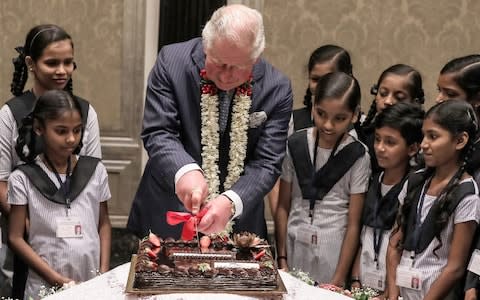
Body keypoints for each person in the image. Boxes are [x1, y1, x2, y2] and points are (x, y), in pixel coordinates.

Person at [127, 4, 293, 240]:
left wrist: (231, 201)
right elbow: (159, 131)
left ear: (256, 58)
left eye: (237, 67)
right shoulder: (171, 62)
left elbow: (267, 162)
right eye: (218, 62)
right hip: (168, 211)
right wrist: (185, 171)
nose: (226, 75)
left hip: (239, 221)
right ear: (206, 46)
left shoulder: (277, 88)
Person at [0, 24, 102, 299]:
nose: (62, 71)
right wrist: (37, 228)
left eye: (68, 63)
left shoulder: (85, 111)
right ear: (31, 63)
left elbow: (91, 175)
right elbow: (2, 182)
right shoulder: (11, 113)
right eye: (52, 63)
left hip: (78, 238)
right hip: (28, 231)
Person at [7, 90, 111, 299]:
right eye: (61, 131)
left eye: (77, 130)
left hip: (91, 283)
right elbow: (15, 237)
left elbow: (104, 223)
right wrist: (58, 281)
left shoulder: (95, 170)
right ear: (39, 128)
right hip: (44, 287)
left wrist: (104, 272)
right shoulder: (22, 178)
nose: (71, 138)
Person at [275, 72, 371, 285]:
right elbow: (283, 205)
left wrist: (338, 279)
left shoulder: (358, 155)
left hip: (333, 250)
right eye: (321, 114)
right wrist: (281, 258)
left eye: (339, 118)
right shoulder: (296, 144)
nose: (328, 125)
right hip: (294, 243)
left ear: (354, 115)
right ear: (312, 107)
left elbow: (354, 223)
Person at [386, 100, 480, 300]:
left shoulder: (467, 194)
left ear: (460, 141)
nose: (424, 145)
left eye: (433, 136)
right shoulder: (415, 180)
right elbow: (395, 242)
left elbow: (455, 267)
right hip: (402, 292)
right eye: (424, 135)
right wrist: (393, 294)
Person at [350, 102, 424, 294]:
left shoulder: (414, 188)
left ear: (413, 148)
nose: (380, 148)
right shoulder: (374, 179)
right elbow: (363, 235)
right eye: (377, 139)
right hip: (364, 281)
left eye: (390, 142)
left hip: (393, 287)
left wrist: (391, 292)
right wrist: (355, 278)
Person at [435, 55, 480, 300]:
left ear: (477, 99)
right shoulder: (441, 143)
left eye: (450, 94)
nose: (439, 99)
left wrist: (473, 282)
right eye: (438, 90)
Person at [358, 64, 424, 174]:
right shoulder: (364, 137)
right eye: (383, 94)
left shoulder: (423, 144)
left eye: (399, 97)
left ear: (414, 102)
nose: (388, 101)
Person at [291, 44, 353, 133]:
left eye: (328, 79)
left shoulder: (360, 124)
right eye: (315, 79)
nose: (321, 86)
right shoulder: (293, 121)